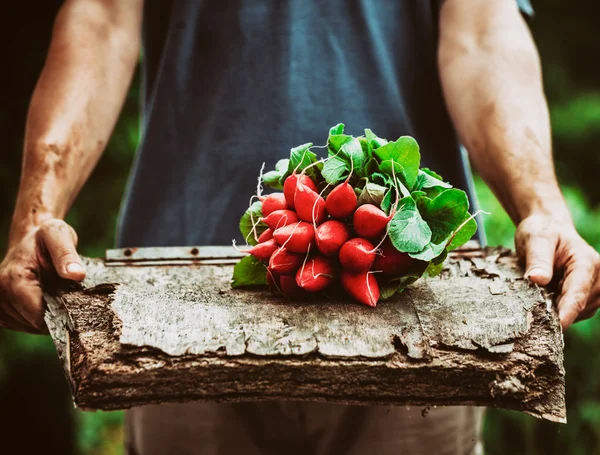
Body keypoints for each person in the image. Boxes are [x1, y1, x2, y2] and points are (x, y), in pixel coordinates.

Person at [1, 0, 598, 453]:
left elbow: (482, 36)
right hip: (172, 312)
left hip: (421, 316)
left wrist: (540, 205)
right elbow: (101, 20)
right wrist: (35, 212)